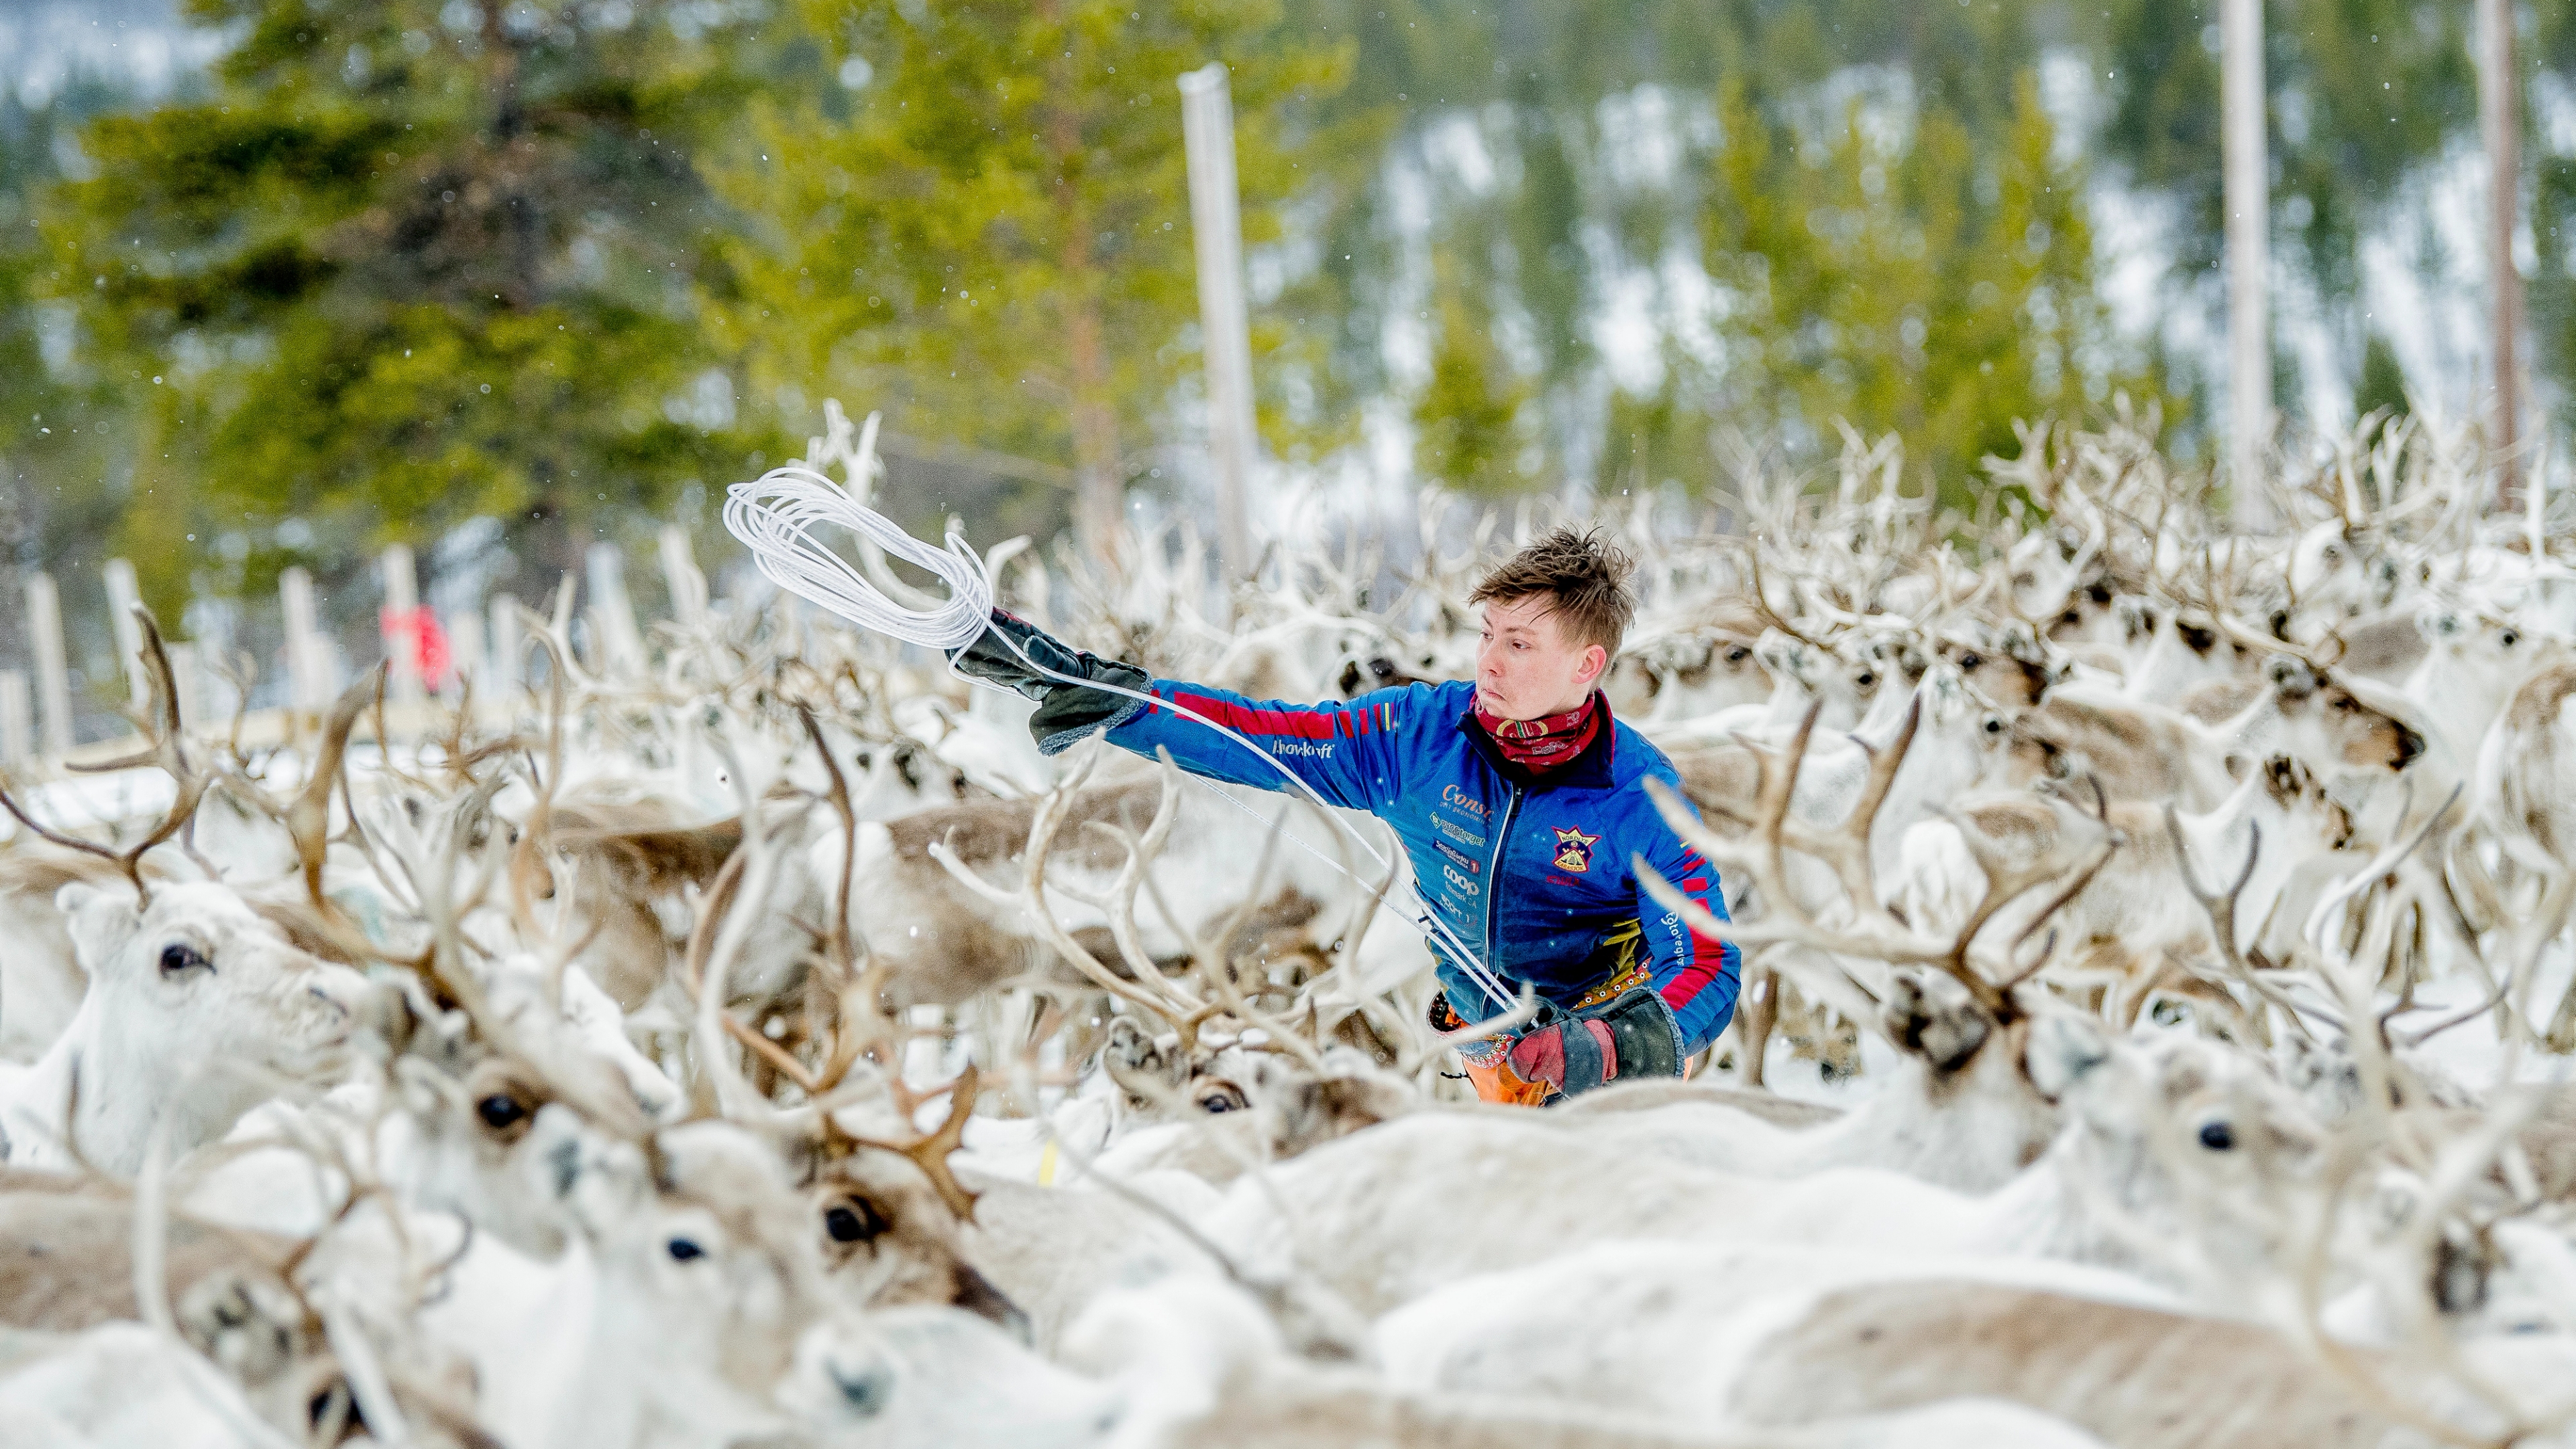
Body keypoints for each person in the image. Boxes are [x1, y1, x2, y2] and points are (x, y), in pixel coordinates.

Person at [948, 526, 1739, 1104]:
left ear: (1587, 665)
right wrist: (1102, 693)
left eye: (1522, 646)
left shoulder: (1640, 797)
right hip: (1486, 1048)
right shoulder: (1421, 737)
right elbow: (1264, 737)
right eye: (1488, 635)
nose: (1489, 662)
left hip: (1613, 1061)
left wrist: (1601, 1044)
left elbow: (1708, 962)